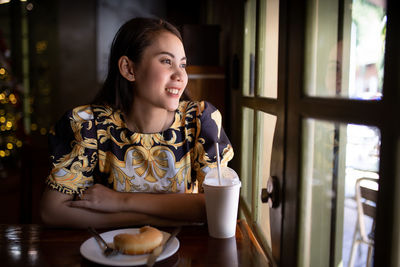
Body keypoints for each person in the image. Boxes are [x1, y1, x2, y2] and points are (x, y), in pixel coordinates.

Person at [40, 17, 234, 228]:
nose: (180, 75)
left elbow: (217, 204)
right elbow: (52, 211)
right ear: (129, 69)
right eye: (166, 61)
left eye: (183, 64)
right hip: (111, 253)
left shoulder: (199, 121)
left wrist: (120, 202)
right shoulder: (89, 125)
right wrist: (148, 220)